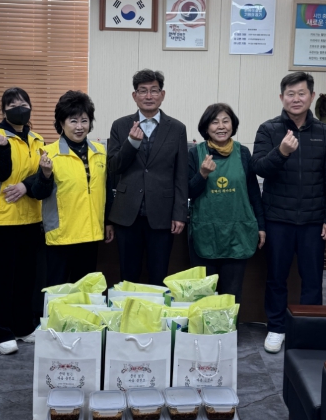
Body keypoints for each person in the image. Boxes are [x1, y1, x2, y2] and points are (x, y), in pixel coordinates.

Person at [252, 72, 326, 353]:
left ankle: (309, 329)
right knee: (276, 278)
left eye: (301, 93)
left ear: (312, 96)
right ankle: (276, 328)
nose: (296, 99)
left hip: (313, 221)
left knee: (313, 279)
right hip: (278, 219)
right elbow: (258, 168)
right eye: (290, 94)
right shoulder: (268, 129)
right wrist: (281, 152)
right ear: (282, 97)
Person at [107, 69, 188, 286]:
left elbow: (181, 174)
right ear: (135, 96)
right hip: (127, 214)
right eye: (143, 91)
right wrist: (131, 143)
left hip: (162, 214)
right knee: (128, 276)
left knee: (158, 275)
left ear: (162, 94)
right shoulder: (120, 125)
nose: (149, 96)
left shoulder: (177, 128)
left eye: (154, 90)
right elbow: (113, 167)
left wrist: (180, 214)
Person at [0, 87, 44, 355]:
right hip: (2, 218)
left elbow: (43, 173)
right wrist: (2, 148)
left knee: (26, 277)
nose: (19, 108)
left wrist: (25, 186)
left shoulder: (37, 139)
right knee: (2, 279)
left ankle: (23, 327)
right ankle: (0, 333)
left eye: (23, 103)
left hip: (31, 216)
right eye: (12, 104)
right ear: (3, 110)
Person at [32, 91, 114, 286]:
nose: (79, 127)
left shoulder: (100, 152)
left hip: (90, 234)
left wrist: (108, 222)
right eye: (73, 121)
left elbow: (106, 190)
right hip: (62, 236)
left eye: (84, 121)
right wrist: (45, 174)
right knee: (57, 291)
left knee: (84, 292)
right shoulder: (48, 153)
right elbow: (38, 193)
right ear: (61, 123)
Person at [189, 103, 265, 302]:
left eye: (226, 121)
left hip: (237, 233)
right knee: (204, 296)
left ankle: (231, 325)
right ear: (206, 127)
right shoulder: (195, 154)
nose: (221, 126)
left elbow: (253, 192)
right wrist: (202, 174)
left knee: (232, 295)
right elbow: (188, 192)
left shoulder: (243, 153)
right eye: (215, 122)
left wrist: (261, 226)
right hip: (206, 233)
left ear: (233, 125)